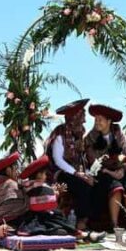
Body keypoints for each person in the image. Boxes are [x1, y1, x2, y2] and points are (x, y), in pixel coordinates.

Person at [84, 104, 126, 230]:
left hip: (120, 170)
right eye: (95, 120)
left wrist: (121, 168)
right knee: (116, 188)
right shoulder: (90, 138)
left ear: (109, 121)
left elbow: (125, 152)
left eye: (100, 120)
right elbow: (93, 160)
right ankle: (114, 224)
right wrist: (110, 171)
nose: (97, 122)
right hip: (102, 173)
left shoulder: (118, 133)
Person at [44, 99, 98, 235]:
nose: (84, 119)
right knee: (81, 185)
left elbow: (82, 158)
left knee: (95, 183)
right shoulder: (60, 134)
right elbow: (58, 160)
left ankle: (95, 221)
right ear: (75, 117)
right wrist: (77, 174)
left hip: (75, 171)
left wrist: (86, 173)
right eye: (82, 115)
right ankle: (81, 223)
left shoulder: (79, 135)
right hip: (59, 173)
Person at [16, 155, 77, 236]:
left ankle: (56, 230)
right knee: (55, 219)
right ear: (39, 174)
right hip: (37, 217)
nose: (45, 176)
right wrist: (54, 193)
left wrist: (54, 192)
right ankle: (55, 230)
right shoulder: (38, 186)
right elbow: (47, 203)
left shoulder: (28, 185)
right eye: (44, 173)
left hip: (36, 215)